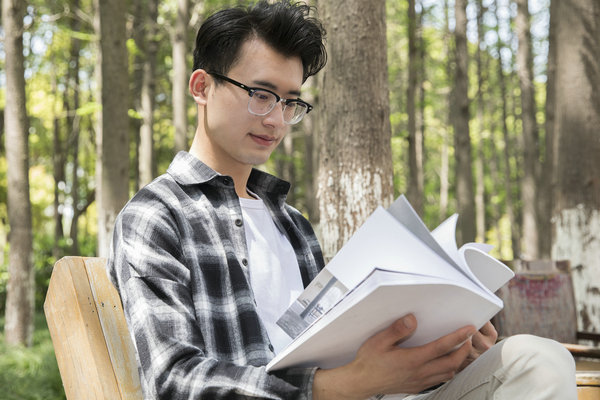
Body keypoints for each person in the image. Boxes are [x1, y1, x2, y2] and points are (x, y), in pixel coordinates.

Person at [108, 1, 577, 399]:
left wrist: (443, 350)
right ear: (202, 87)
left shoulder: (292, 225)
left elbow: (348, 359)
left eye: (290, 102)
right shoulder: (158, 216)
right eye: (260, 95)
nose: (275, 119)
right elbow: (173, 379)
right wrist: (333, 387)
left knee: (536, 360)